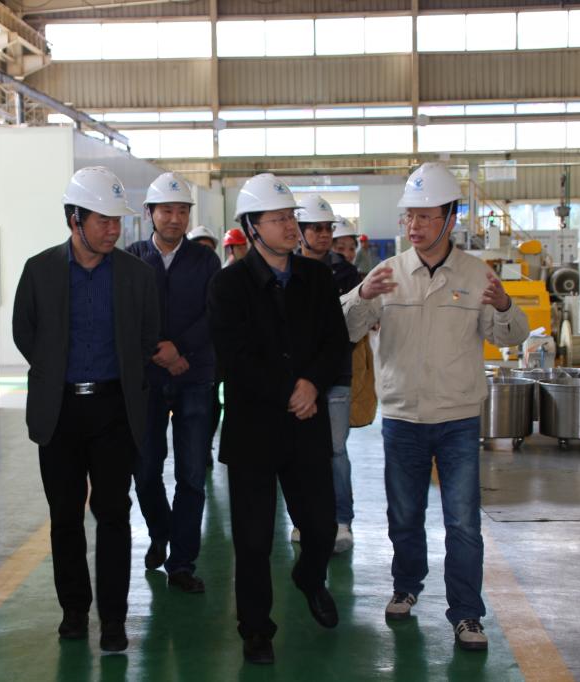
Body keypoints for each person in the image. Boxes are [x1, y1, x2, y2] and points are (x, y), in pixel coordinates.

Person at [340, 162, 529, 652]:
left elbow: (511, 336)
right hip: (402, 417)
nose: (415, 226)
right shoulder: (387, 275)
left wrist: (505, 306)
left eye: (425, 216)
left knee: (463, 522)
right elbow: (344, 329)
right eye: (410, 217)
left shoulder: (477, 274)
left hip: (457, 419)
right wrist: (361, 294)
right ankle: (406, 586)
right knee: (404, 514)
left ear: (450, 218)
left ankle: (466, 614)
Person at [12, 166, 159, 654]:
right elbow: (25, 332)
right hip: (59, 411)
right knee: (65, 514)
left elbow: (147, 336)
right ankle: (74, 611)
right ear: (74, 219)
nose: (113, 230)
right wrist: (57, 370)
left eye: (117, 220)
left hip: (115, 410)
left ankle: (113, 619)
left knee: (114, 512)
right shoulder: (40, 270)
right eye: (103, 220)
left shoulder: (136, 275)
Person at [208, 173, 348, 665]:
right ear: (252, 227)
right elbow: (234, 357)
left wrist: (312, 384)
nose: (291, 226)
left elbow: (334, 343)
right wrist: (291, 391)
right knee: (252, 539)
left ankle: (309, 578)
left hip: (306, 425)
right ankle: (256, 629)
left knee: (322, 527)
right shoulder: (228, 285)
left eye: (292, 217)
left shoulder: (316, 278)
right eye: (279, 219)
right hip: (254, 429)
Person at [126, 172, 221, 594]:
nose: (175, 218)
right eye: (167, 210)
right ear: (150, 213)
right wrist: (157, 351)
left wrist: (180, 350)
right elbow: (125, 315)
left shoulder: (206, 261)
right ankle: (161, 532)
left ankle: (182, 562)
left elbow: (213, 314)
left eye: (182, 211)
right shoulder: (131, 258)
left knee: (191, 476)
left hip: (194, 377)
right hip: (146, 381)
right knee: (145, 471)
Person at [289, 195, 362, 554]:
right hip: (297, 378)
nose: (323, 234)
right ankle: (304, 520)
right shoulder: (285, 271)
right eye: (315, 228)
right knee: (299, 452)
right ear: (300, 231)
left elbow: (349, 328)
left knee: (334, 451)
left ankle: (341, 520)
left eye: (327, 228)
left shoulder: (344, 273)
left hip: (335, 376)